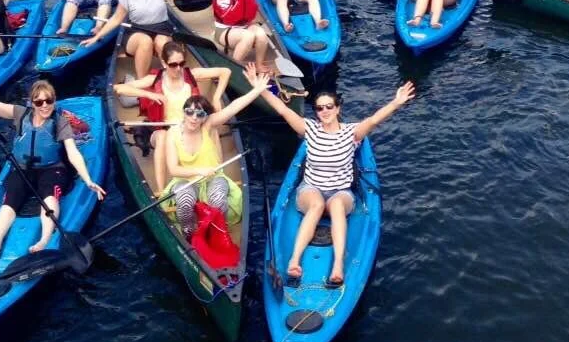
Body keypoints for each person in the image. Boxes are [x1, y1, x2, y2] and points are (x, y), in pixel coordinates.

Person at [249, 71, 416, 287]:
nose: (325, 111)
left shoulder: (351, 132)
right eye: (320, 108)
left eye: (329, 106)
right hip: (311, 190)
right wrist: (261, 90)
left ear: (338, 108)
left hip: (341, 192)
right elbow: (283, 110)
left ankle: (337, 266)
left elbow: (374, 119)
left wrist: (396, 102)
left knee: (336, 205)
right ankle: (294, 260)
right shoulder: (309, 129)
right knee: (317, 204)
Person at [0, 60, 106, 257]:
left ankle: (45, 238)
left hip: (51, 168)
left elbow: (72, 152)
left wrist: (87, 179)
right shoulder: (20, 114)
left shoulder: (60, 122)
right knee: (10, 200)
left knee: (49, 196)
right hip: (22, 168)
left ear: (54, 100)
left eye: (49, 100)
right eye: (39, 102)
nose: (45, 106)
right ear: (32, 103)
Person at [164, 64, 271, 237]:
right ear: (184, 112)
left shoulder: (208, 125)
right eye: (190, 112)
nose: (194, 118)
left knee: (218, 199)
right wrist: (200, 171)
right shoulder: (173, 133)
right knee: (184, 201)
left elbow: (234, 107)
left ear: (205, 117)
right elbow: (173, 169)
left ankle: (218, 232)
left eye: (200, 114)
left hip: (213, 177)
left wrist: (257, 90)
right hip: (186, 180)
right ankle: (189, 233)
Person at [113, 40, 230, 187]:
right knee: (162, 136)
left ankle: (218, 175)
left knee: (211, 127)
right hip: (166, 129)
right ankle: (161, 190)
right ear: (164, 63)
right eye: (173, 65)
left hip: (190, 126)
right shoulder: (154, 79)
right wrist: (149, 94)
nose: (178, 68)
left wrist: (216, 97)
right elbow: (119, 88)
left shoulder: (191, 74)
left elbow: (225, 72)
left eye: (182, 64)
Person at [81, 0, 189, 78]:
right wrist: (97, 37)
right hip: (137, 31)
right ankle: (142, 80)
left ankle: (173, 76)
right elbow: (116, 18)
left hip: (162, 28)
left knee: (162, 43)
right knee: (145, 41)